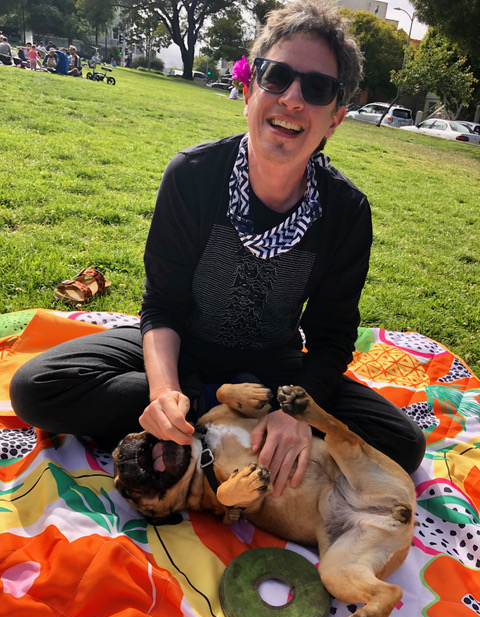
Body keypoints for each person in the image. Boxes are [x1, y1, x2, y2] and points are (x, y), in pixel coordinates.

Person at [10, 0, 425, 498]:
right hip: (185, 352)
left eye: (316, 88)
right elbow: (161, 306)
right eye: (276, 77)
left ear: (335, 117)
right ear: (248, 90)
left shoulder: (347, 211)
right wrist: (165, 393)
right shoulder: (193, 176)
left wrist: (295, 412)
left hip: (275, 370)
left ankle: (226, 430)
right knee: (37, 388)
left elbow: (332, 336)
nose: (292, 99)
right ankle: (220, 424)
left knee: (401, 442)